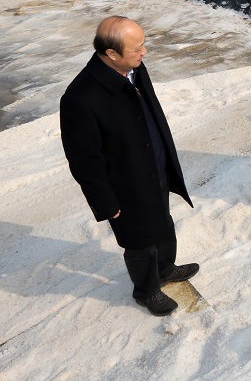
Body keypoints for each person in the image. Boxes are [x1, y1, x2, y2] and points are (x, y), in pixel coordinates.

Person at [60, 16, 199, 316]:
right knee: (139, 241)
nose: (144, 52)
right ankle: (146, 291)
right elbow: (83, 159)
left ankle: (165, 268)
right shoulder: (80, 98)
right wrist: (105, 203)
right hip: (125, 186)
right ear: (112, 53)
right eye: (137, 48)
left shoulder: (133, 68)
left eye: (143, 44)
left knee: (163, 223)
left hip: (155, 169)